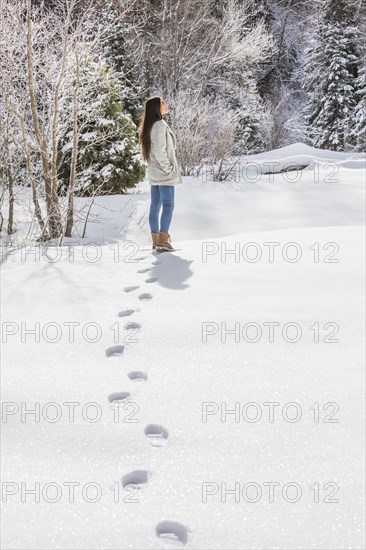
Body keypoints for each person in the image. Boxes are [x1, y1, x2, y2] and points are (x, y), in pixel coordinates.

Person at [138, 96, 183, 252]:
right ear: (157, 108)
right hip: (163, 173)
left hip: (155, 172)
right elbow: (160, 151)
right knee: (168, 205)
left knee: (155, 206)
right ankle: (163, 241)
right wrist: (169, 169)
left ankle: (156, 241)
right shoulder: (159, 125)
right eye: (163, 103)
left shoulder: (150, 125)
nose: (166, 105)